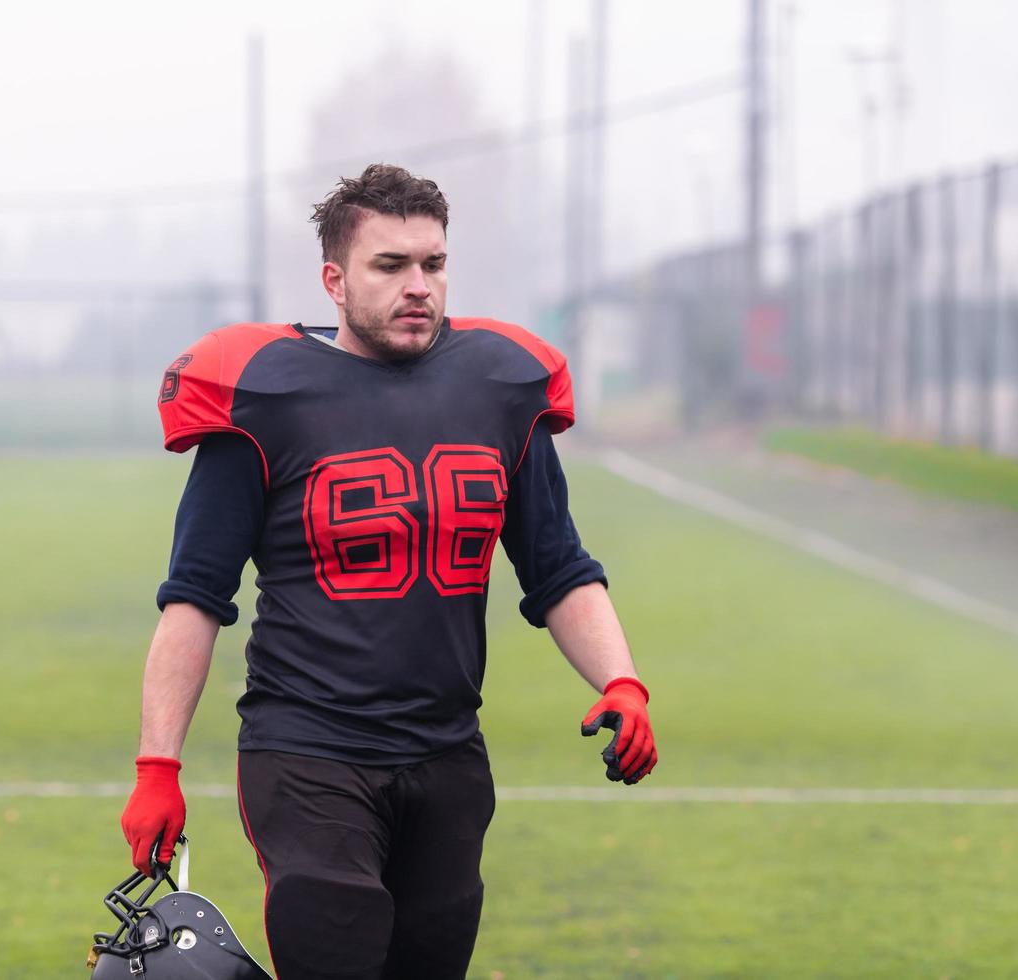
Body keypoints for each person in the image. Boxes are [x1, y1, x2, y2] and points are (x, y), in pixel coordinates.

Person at [119, 163, 657, 980]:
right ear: (334, 280)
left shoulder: (500, 388)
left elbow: (558, 571)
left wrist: (623, 682)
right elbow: (194, 600)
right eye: (391, 266)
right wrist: (158, 766)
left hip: (447, 753)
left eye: (433, 265)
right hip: (308, 754)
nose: (419, 287)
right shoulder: (264, 395)